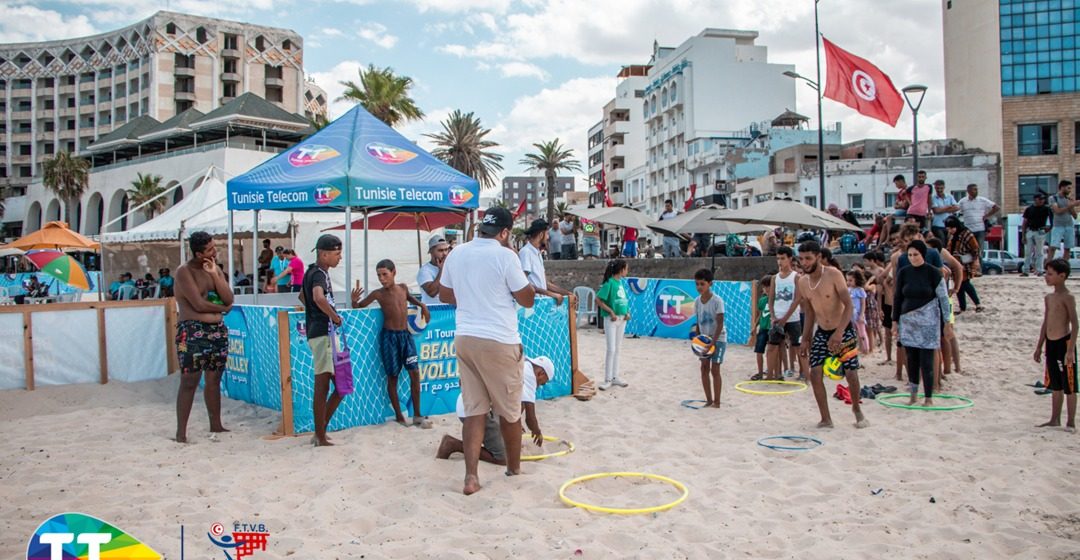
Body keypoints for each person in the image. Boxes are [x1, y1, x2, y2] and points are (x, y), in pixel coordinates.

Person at [438, 206, 536, 495]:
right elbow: (527, 299)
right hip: (499, 339)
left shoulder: (457, 253)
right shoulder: (506, 256)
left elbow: (443, 293)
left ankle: (471, 476)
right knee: (509, 410)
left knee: (474, 409)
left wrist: (472, 298)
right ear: (505, 233)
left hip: (466, 336)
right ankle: (513, 469)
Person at [796, 240, 869, 429]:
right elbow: (810, 312)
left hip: (843, 328)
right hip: (821, 330)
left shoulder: (834, 275)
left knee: (851, 373)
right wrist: (805, 339)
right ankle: (826, 418)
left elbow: (848, 305)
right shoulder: (803, 281)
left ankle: (856, 410)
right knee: (815, 373)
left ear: (819, 257)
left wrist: (839, 333)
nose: (804, 263)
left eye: (808, 258)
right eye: (802, 259)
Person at [355, 259, 432, 428]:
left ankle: (417, 415)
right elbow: (359, 306)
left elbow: (411, 298)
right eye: (379, 275)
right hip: (389, 338)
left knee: (415, 374)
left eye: (385, 274)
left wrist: (422, 306)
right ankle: (399, 415)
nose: (382, 279)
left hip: (405, 336)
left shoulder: (402, 288)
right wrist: (354, 301)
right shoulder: (378, 294)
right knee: (392, 377)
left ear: (394, 273)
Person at [173, 231, 234, 443]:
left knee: (214, 377)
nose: (214, 251)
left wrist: (216, 276)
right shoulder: (184, 272)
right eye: (210, 249)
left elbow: (228, 297)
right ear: (199, 253)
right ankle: (181, 432)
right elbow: (197, 304)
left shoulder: (214, 269)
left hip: (215, 330)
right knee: (189, 379)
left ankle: (215, 424)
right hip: (190, 331)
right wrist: (223, 308)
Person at [298, 234, 359, 447]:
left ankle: (321, 429)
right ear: (324, 254)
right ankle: (320, 435)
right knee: (323, 384)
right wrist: (334, 316)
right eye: (336, 253)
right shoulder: (319, 275)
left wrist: (315, 313)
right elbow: (317, 297)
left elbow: (302, 297)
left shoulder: (313, 273)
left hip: (323, 333)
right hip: (323, 334)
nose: (339, 258)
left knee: (342, 385)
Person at [437, 356, 554, 464]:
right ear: (541, 373)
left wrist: (514, 425)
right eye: (542, 383)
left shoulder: (521, 364)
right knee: (502, 458)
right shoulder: (529, 376)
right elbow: (530, 418)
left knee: (507, 433)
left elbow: (515, 404)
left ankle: (492, 441)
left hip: (468, 403)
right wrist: (537, 432)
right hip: (475, 409)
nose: (540, 386)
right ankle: (452, 444)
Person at [892, 239, 952, 407]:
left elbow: (944, 298)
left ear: (923, 254)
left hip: (929, 320)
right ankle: (913, 394)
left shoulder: (933, 272)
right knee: (911, 358)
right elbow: (897, 297)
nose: (912, 258)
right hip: (908, 320)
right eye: (910, 255)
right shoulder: (904, 272)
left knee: (926, 360)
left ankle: (928, 397)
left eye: (915, 254)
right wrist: (895, 320)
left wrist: (947, 322)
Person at [1034, 259, 1078, 431]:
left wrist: (1071, 349)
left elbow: (1075, 324)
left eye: (1050, 274)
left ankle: (1071, 421)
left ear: (1062, 276)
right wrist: (1039, 346)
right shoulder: (1049, 297)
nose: (1047, 277)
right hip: (1050, 343)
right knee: (1055, 384)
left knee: (1070, 385)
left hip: (1064, 343)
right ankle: (1055, 419)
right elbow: (1046, 322)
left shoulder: (1068, 297)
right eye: (1046, 273)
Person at [519, 219, 575, 306]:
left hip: (541, 303)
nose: (548, 237)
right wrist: (551, 294)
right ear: (541, 234)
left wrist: (567, 293)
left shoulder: (537, 253)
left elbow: (545, 283)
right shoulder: (526, 252)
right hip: (532, 304)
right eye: (547, 234)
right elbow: (523, 282)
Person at [768, 247, 805, 381]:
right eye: (778, 258)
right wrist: (773, 316)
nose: (779, 261)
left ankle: (802, 372)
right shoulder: (775, 278)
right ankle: (774, 374)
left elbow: (797, 299)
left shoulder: (796, 277)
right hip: (777, 317)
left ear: (789, 259)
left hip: (792, 317)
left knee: (796, 346)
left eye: (782, 258)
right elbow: (771, 299)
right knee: (773, 346)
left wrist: (785, 318)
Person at [692, 268, 726, 407]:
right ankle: (709, 400)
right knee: (704, 368)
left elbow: (720, 323)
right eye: (697, 284)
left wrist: (713, 342)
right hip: (704, 339)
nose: (699, 287)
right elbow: (698, 322)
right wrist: (697, 340)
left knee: (715, 369)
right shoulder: (697, 301)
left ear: (710, 283)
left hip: (718, 339)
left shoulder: (717, 301)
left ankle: (717, 402)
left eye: (702, 284)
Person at [595, 258, 630, 390]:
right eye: (626, 269)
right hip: (612, 320)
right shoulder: (609, 283)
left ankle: (615, 376)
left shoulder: (620, 283)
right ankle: (608, 378)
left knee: (618, 348)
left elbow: (623, 300)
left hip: (622, 319)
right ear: (621, 270)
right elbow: (598, 299)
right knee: (611, 349)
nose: (627, 271)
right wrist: (610, 312)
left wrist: (627, 312)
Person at [945, 216, 984, 314]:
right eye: (948, 228)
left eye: (951, 228)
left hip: (965, 263)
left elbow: (975, 248)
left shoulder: (967, 234)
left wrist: (975, 260)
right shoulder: (952, 235)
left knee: (965, 283)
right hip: (955, 263)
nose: (950, 230)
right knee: (959, 285)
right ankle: (963, 307)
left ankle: (977, 304)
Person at [956, 183, 999, 258]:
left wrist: (987, 215)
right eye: (974, 189)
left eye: (977, 189)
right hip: (968, 229)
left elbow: (996, 207)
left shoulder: (982, 200)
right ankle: (970, 268)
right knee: (968, 250)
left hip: (980, 229)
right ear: (968, 191)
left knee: (979, 251)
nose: (976, 191)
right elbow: (955, 210)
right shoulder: (963, 201)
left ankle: (979, 268)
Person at [1048, 180, 1080, 262]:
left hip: (1069, 225)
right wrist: (1071, 205)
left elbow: (1075, 216)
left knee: (1068, 248)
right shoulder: (1053, 198)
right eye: (1068, 188)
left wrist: (1072, 205)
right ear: (1062, 187)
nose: (1070, 190)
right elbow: (1057, 211)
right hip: (1058, 225)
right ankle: (1048, 266)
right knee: (1053, 247)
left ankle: (1064, 267)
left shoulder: (1068, 199)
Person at [1021, 193, 1052, 277]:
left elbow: (1052, 219)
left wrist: (1049, 228)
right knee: (1028, 252)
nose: (1042, 201)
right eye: (1040, 199)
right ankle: (1026, 270)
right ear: (1035, 200)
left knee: (1039, 252)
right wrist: (1023, 235)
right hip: (1030, 231)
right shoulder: (1029, 209)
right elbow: (1024, 222)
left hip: (1040, 230)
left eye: (1043, 199)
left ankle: (1040, 270)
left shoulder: (1046, 209)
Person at [751, 275, 772, 381]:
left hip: (772, 328)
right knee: (759, 351)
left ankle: (770, 371)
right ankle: (760, 372)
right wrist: (755, 326)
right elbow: (760, 314)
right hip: (763, 328)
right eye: (764, 287)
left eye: (769, 286)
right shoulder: (762, 300)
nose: (766, 289)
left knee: (771, 351)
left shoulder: (776, 299)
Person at [417, 235, 449, 306]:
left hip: (449, 310)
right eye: (440, 250)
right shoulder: (424, 270)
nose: (444, 254)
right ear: (431, 251)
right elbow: (432, 292)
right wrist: (441, 270)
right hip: (432, 311)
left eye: (446, 249)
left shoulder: (450, 267)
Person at [848, 269, 870, 354]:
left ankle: (866, 348)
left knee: (862, 332)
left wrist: (861, 314)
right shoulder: (848, 290)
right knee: (853, 332)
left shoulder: (860, 290)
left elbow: (863, 303)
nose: (849, 282)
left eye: (851, 280)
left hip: (857, 313)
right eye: (848, 280)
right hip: (850, 314)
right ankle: (856, 348)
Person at [930, 180, 959, 245]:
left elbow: (957, 207)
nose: (939, 190)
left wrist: (942, 209)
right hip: (938, 225)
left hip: (949, 225)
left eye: (941, 188)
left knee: (949, 244)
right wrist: (948, 207)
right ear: (935, 188)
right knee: (941, 243)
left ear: (944, 187)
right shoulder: (933, 198)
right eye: (937, 188)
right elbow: (936, 211)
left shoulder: (950, 196)